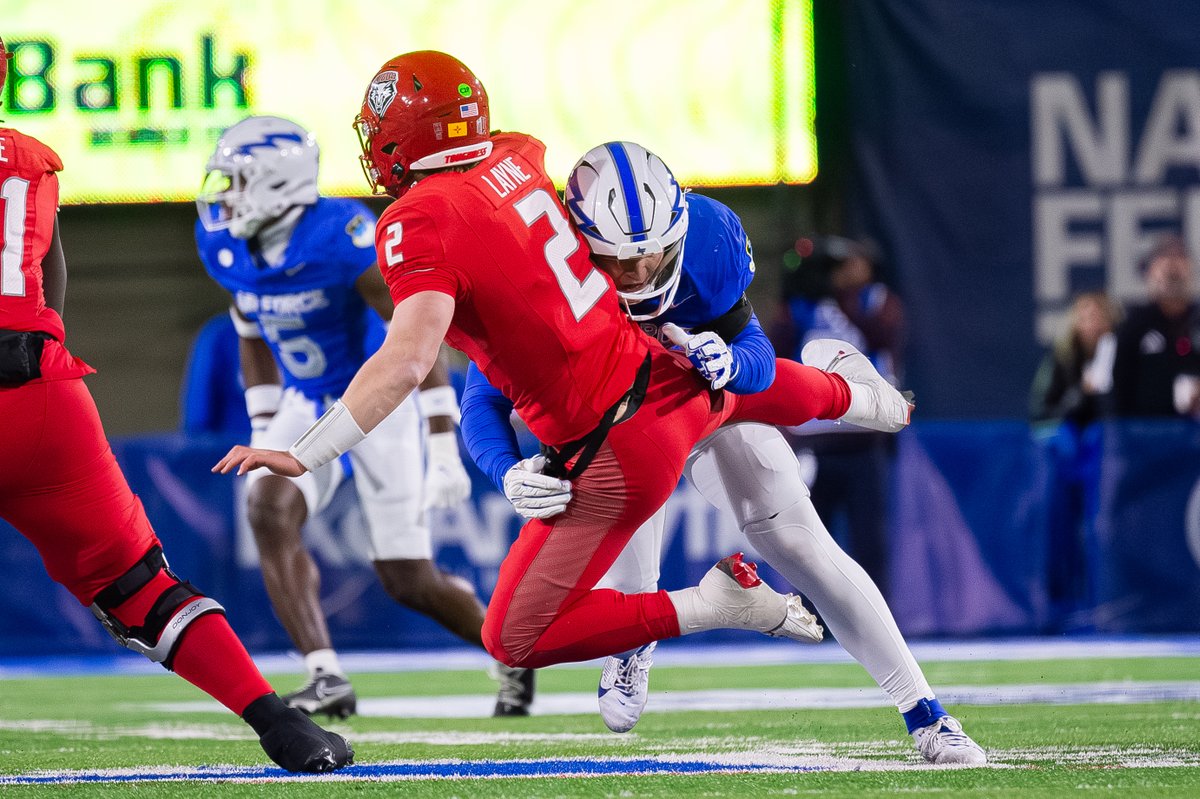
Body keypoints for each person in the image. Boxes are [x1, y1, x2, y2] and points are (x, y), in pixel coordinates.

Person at [213, 49, 915, 749]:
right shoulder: (519, 156)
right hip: (654, 372)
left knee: (513, 633)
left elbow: (405, 361)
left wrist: (304, 452)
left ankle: (711, 603)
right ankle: (859, 394)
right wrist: (499, 463)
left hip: (610, 442)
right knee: (722, 383)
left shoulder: (416, 221)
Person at [461, 141, 985, 764]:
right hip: (611, 429)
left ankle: (925, 712)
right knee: (630, 571)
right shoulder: (541, 265)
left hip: (695, 400)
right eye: (617, 261)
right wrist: (505, 469)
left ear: (677, 229)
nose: (637, 274)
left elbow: (758, 368)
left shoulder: (708, 241)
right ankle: (634, 644)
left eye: (651, 253)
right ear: (576, 242)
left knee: (796, 540)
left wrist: (730, 360)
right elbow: (481, 395)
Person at [0, 37, 350, 773]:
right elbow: (49, 296)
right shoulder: (34, 161)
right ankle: (278, 722)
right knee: (140, 587)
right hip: (42, 396)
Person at [195, 114, 533, 718]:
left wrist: (440, 438)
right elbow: (249, 325)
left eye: (238, 181)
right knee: (267, 509)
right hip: (303, 395)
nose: (224, 195)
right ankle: (325, 674)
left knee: (409, 581)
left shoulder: (341, 232)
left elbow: (414, 338)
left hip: (378, 401)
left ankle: (508, 652)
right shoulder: (223, 240)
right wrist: (263, 425)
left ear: (278, 183)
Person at [770, 236, 905, 597]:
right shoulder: (801, 306)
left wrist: (845, 301)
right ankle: (812, 621)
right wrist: (803, 291)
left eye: (848, 264)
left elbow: (886, 338)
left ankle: (875, 623)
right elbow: (774, 352)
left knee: (869, 542)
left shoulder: (875, 301)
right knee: (811, 541)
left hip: (864, 437)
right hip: (815, 440)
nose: (839, 273)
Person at [1029, 291, 1119, 630]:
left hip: (1108, 459)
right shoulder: (1062, 358)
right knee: (1061, 534)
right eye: (1082, 315)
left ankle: (1106, 605)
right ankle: (1061, 611)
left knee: (1103, 531)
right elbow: (1040, 410)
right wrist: (1079, 396)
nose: (1089, 323)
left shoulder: (1120, 354)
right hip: (1066, 462)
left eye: (1096, 315)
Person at [1111, 234, 1200, 418]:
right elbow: (1117, 388)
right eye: (1165, 263)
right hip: (1146, 435)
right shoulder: (1134, 325)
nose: (1172, 267)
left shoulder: (1196, 320)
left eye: (1180, 261)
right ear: (1149, 273)